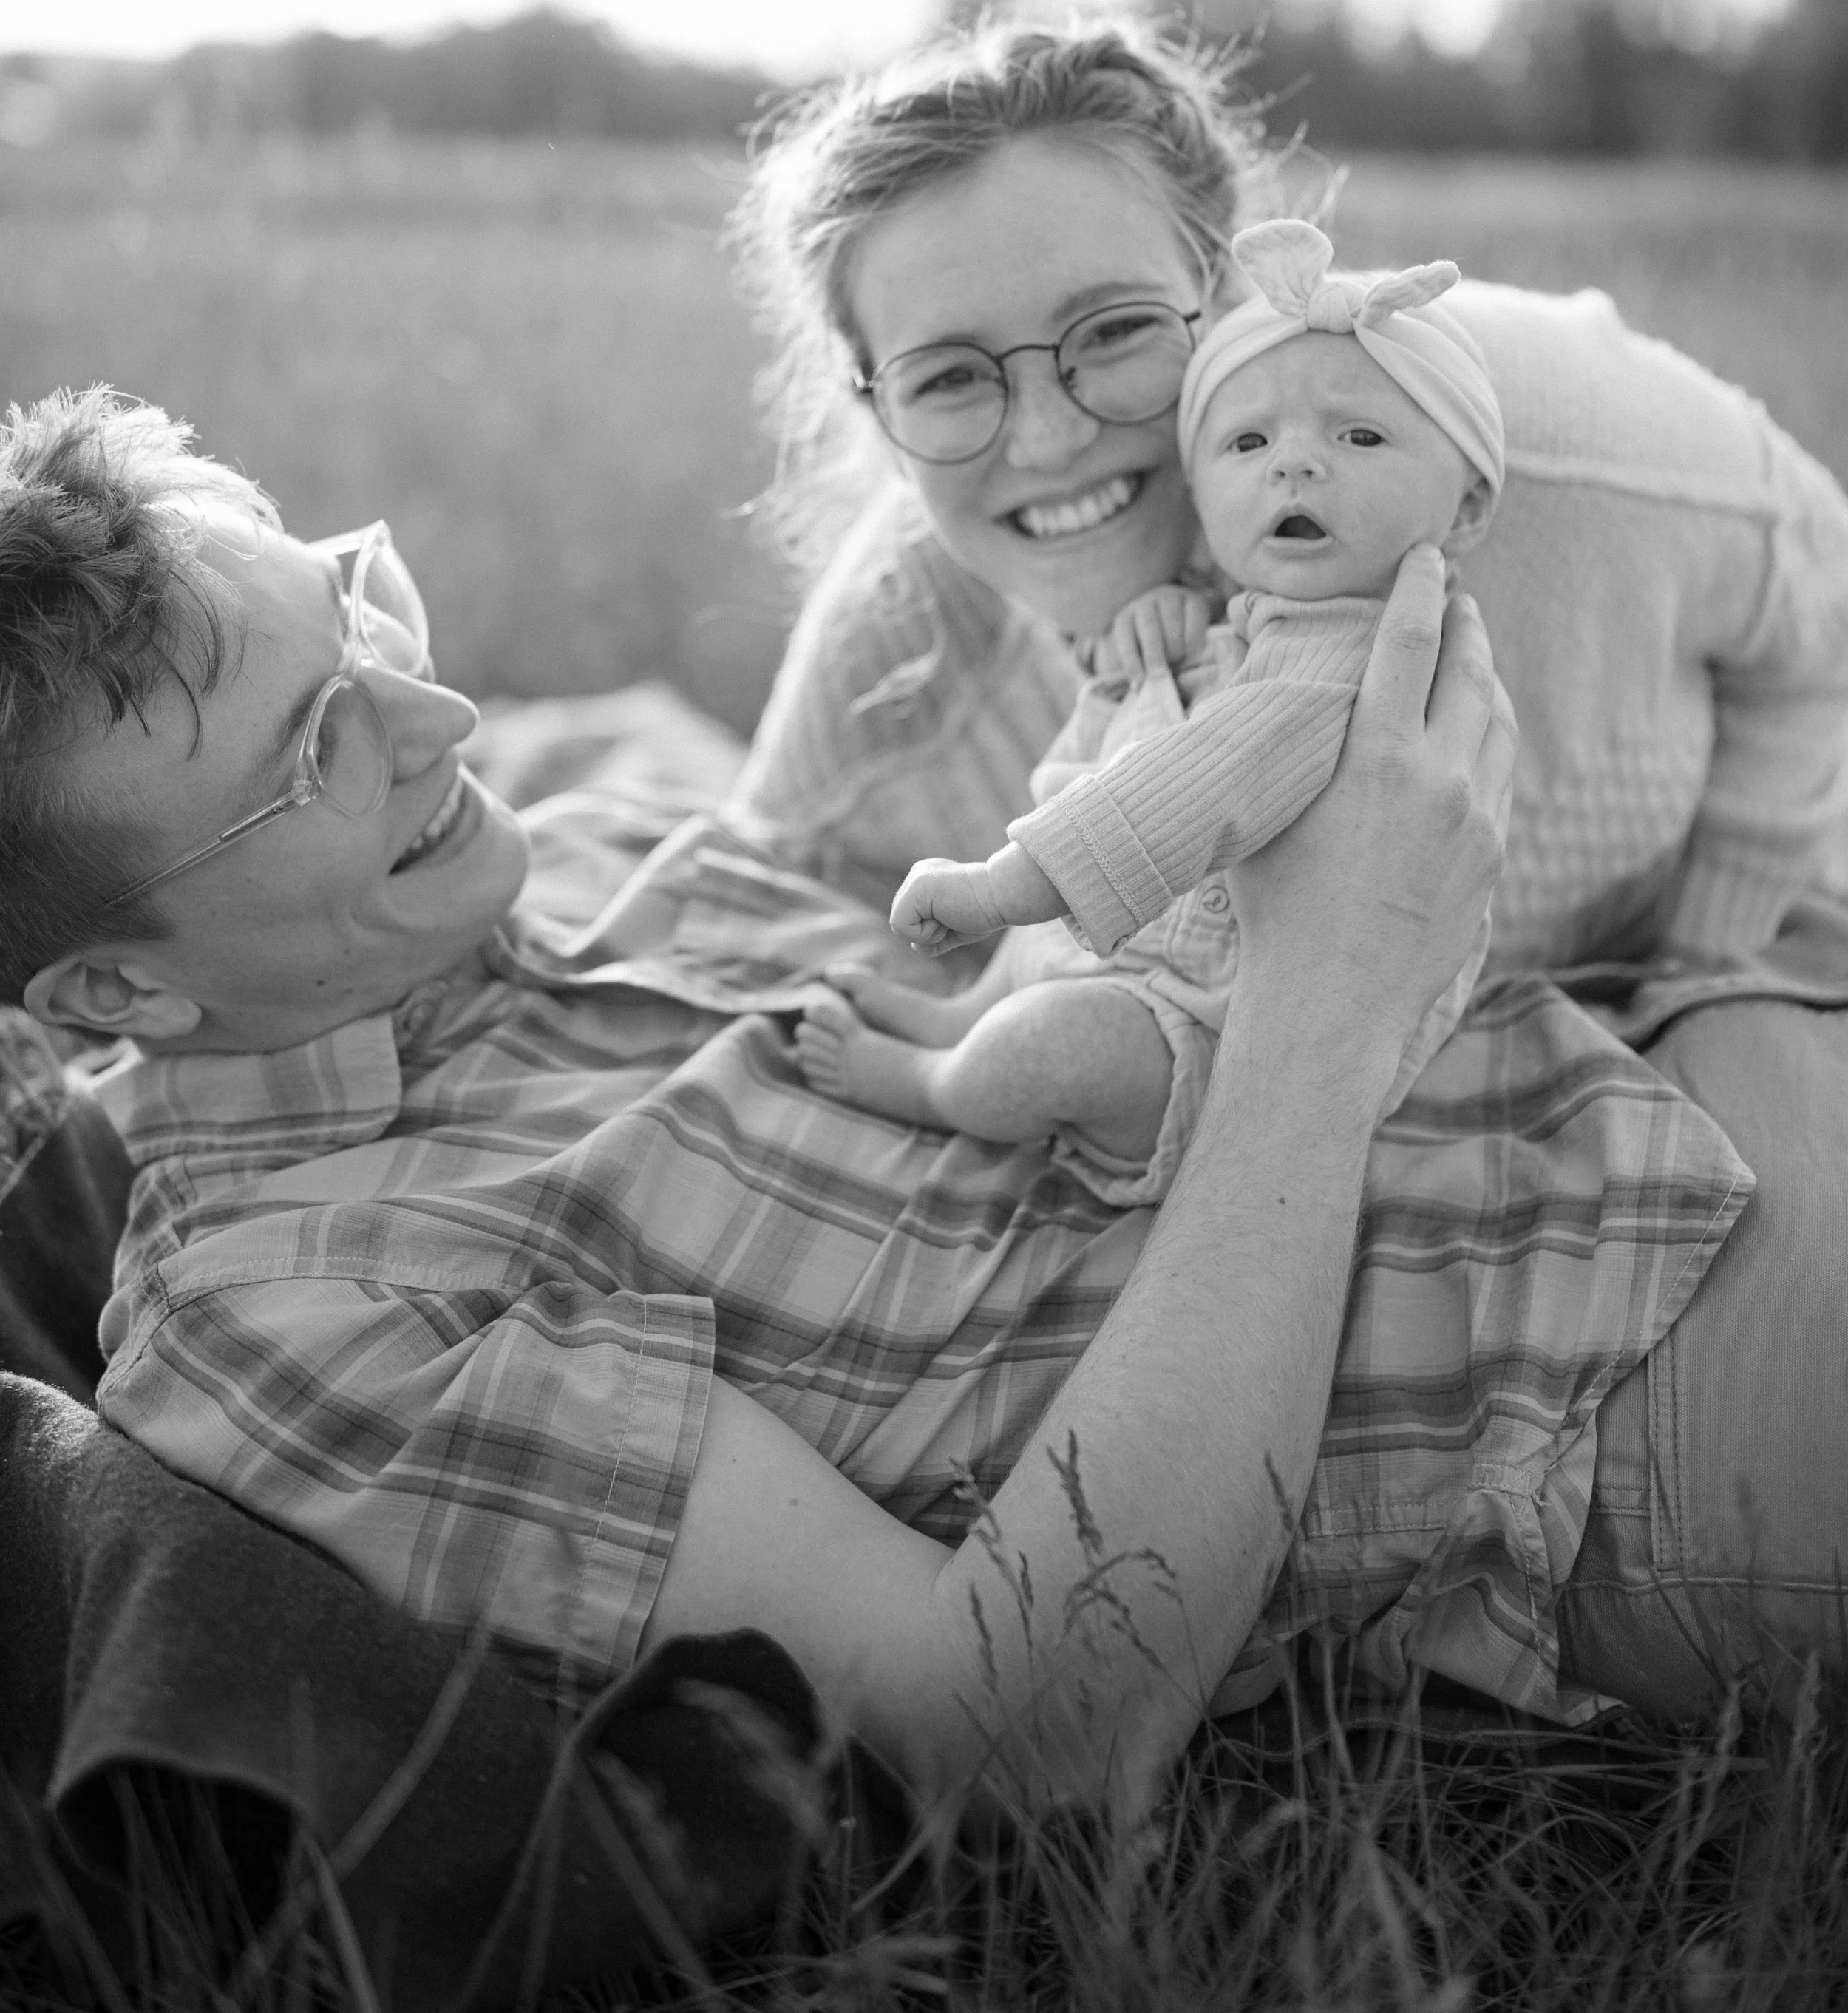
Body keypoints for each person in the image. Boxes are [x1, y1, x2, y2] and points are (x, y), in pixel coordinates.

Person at [10, 386, 1845, 1827]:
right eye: (319, 744)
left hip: (1669, 1042)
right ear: (115, 993)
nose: (439, 712)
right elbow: (1026, 1723)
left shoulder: (557, 857)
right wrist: (1322, 1014)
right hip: (1633, 1393)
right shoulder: (298, 1325)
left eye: (354, 606)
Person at [725, 18, 1848, 970]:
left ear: (1235, 289)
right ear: (872, 403)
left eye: (1114, 330)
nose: (1052, 436)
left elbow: (1823, 577)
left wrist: (1707, 960)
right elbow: (754, 885)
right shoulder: (909, 605)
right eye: (951, 376)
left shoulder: (1508, 429)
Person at [794, 220, 1506, 1200]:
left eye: (1362, 437)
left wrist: (1001, 885)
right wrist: (1174, 651)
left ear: (1467, 506)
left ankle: (932, 1079)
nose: (1293, 466)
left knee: (1059, 1047)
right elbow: (1187, 723)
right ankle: (960, 1018)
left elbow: (1195, 786)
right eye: (1250, 442)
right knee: (1044, 965)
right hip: (1163, 969)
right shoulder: (1263, 628)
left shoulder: (1353, 661)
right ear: (1201, 488)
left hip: (1223, 1040)